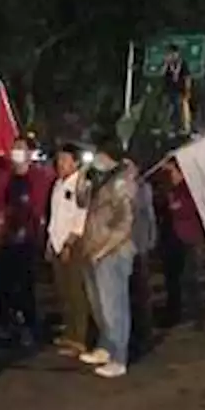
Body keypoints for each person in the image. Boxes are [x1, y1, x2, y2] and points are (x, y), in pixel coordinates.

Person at [76, 140, 136, 378]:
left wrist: (104, 249)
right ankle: (105, 346)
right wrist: (82, 173)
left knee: (114, 306)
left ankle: (119, 357)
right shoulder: (102, 180)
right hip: (94, 250)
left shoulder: (122, 182)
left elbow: (125, 224)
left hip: (113, 252)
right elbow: (81, 200)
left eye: (99, 155)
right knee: (98, 304)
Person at [0, 137, 53, 346]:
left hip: (28, 239)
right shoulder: (4, 176)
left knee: (26, 286)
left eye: (21, 149)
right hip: (5, 239)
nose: (17, 152)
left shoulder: (38, 177)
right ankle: (5, 324)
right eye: (14, 148)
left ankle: (28, 325)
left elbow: (41, 206)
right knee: (3, 285)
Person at [47, 143, 91, 356]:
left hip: (72, 245)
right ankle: (69, 332)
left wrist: (69, 244)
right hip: (56, 243)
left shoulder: (81, 186)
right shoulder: (57, 184)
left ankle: (80, 337)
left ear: (75, 162)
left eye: (65, 160)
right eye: (59, 160)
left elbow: (80, 219)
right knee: (63, 291)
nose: (60, 164)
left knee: (76, 292)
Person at [164, 156, 205, 328]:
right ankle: (192, 314)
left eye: (172, 172)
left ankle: (199, 316)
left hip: (191, 237)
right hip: (179, 238)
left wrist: (176, 206)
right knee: (184, 278)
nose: (170, 176)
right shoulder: (173, 189)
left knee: (191, 278)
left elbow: (186, 209)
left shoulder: (186, 189)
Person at [126, 159, 158, 360]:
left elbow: (146, 214)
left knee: (141, 293)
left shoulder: (142, 189)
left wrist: (149, 242)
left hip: (138, 246)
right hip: (123, 248)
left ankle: (144, 335)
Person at [161, 44, 191, 135]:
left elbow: (187, 77)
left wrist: (188, 89)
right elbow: (162, 74)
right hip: (169, 90)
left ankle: (182, 126)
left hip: (180, 90)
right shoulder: (167, 65)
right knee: (169, 108)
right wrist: (166, 64)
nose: (172, 56)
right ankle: (170, 127)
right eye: (170, 54)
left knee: (179, 107)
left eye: (174, 54)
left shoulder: (183, 64)